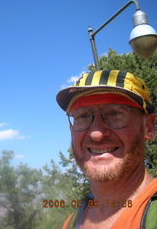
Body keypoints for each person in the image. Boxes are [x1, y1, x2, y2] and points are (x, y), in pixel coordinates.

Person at [56, 70, 157, 229]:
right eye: (82, 116)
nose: (96, 134)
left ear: (148, 127)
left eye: (115, 114)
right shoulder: (72, 222)